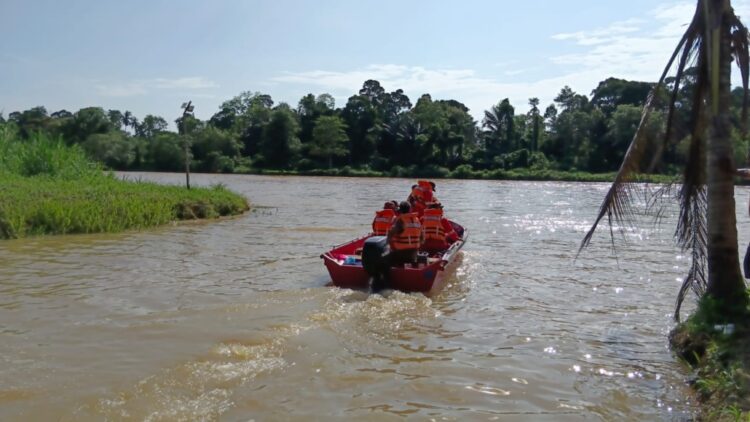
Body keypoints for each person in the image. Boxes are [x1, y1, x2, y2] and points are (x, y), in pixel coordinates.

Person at [386, 201, 423, 266]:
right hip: (414, 253)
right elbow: (422, 238)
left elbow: (390, 234)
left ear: (400, 210)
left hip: (401, 253)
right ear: (410, 209)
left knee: (383, 256)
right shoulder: (416, 220)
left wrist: (388, 247)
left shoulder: (400, 221)